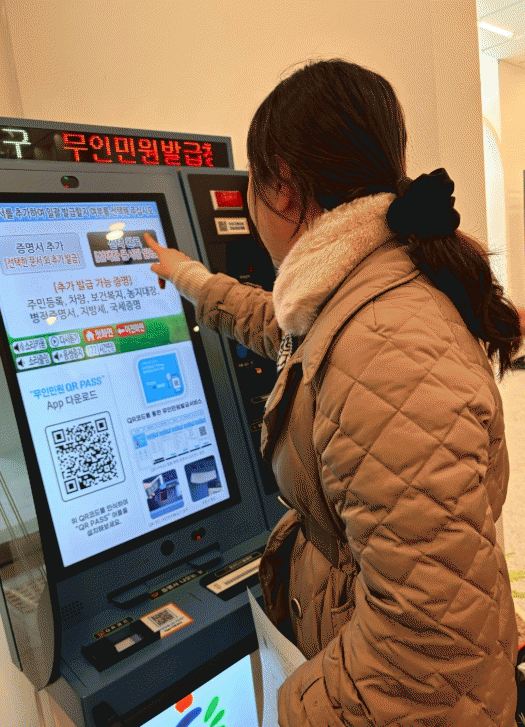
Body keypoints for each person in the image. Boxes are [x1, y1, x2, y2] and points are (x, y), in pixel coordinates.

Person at [143, 58, 523, 727]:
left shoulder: (387, 346)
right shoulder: (371, 279)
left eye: (252, 186)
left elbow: (427, 651)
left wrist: (290, 707)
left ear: (284, 190)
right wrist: (191, 278)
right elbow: (288, 334)